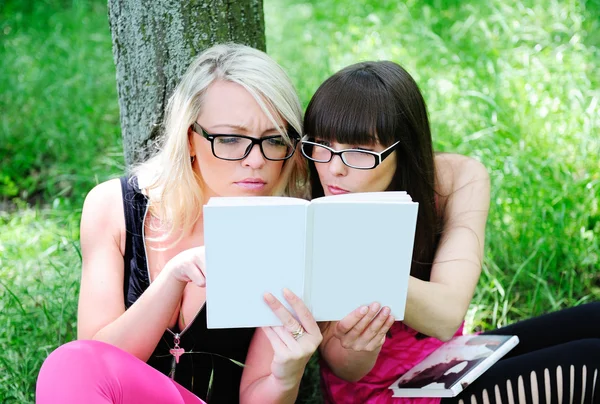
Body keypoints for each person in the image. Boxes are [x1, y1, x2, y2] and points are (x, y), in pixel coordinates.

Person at [35, 43, 322, 404]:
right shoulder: (115, 207)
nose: (256, 160)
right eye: (231, 139)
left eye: (274, 140)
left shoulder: (285, 233)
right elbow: (93, 363)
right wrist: (172, 278)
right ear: (189, 138)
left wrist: (286, 375)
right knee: (69, 363)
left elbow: (256, 398)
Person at [301, 60, 600, 403]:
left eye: (360, 151)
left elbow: (446, 316)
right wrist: (359, 344)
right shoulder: (310, 207)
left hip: (450, 360)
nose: (334, 168)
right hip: (385, 394)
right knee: (591, 362)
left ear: (404, 151)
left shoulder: (456, 179)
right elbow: (345, 369)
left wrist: (363, 265)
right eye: (322, 145)